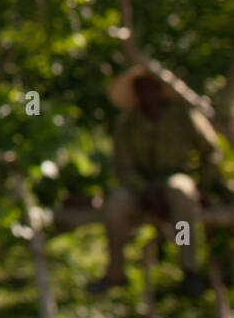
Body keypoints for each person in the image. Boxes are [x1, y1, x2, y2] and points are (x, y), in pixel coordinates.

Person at [89, 64, 228, 297]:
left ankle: (189, 268)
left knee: (181, 196)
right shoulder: (128, 123)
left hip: (176, 177)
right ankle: (115, 273)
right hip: (138, 184)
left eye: (150, 88)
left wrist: (204, 186)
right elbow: (122, 166)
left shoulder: (182, 115)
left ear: (159, 89)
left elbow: (210, 151)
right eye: (140, 89)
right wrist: (144, 190)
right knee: (115, 206)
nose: (146, 94)